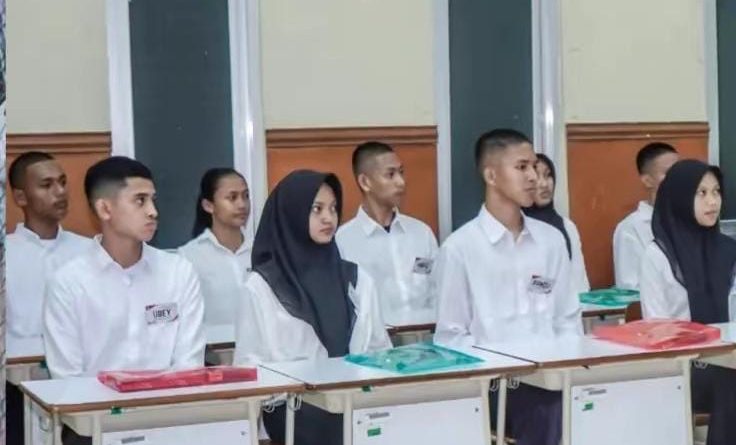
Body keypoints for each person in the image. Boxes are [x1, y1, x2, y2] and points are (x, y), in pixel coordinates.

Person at [43, 157, 205, 445]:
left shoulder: (179, 272)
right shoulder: (68, 282)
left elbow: (189, 364)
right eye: (140, 201)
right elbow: (68, 379)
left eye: (153, 200)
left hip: (170, 423)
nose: (153, 211)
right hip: (95, 426)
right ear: (104, 209)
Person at [434, 129, 580, 445]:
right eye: (522, 167)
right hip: (495, 384)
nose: (534, 177)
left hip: (551, 378)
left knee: (598, 398)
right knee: (549, 412)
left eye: (535, 167)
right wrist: (499, 367)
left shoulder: (551, 240)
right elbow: (450, 337)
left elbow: (567, 318)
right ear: (491, 175)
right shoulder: (460, 248)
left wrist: (564, 371)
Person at [234, 170, 391, 445]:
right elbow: (250, 367)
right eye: (317, 209)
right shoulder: (261, 286)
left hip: (356, 403)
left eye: (333, 208)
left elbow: (380, 351)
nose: (329, 218)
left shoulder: (356, 279)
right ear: (292, 214)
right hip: (292, 407)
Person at [639, 159, 736, 445]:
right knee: (729, 382)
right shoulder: (658, 255)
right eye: (701, 193)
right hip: (682, 367)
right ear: (680, 197)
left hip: (728, 358)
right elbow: (657, 327)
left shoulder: (729, 250)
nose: (712, 202)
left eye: (716, 192)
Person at [6, 151, 91, 445]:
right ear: (20, 197)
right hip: (15, 386)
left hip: (79, 381)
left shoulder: (90, 251)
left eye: (63, 182)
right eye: (46, 185)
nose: (60, 192)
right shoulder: (7, 253)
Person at [336, 141, 438, 319]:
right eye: (390, 174)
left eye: (401, 172)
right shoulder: (343, 241)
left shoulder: (422, 233)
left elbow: (438, 288)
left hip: (427, 333)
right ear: (365, 182)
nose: (401, 182)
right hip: (375, 336)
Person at [179, 168, 252, 332]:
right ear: (208, 205)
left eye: (246, 196)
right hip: (211, 346)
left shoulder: (263, 252)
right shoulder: (189, 256)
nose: (242, 204)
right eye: (232, 197)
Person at [613, 142, 679, 289]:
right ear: (647, 180)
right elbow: (629, 287)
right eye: (668, 173)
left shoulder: (691, 220)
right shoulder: (630, 228)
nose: (677, 178)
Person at [524, 153, 590, 294]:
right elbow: (523, 282)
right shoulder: (518, 228)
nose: (544, 184)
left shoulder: (567, 226)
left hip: (569, 306)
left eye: (548, 175)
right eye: (536, 177)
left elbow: (579, 280)